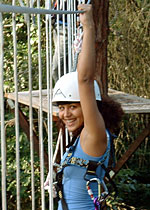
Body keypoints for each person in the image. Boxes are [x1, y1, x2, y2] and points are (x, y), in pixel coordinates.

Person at [45, 4, 124, 210]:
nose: (65, 114)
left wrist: (88, 27)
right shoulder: (79, 139)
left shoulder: (94, 136)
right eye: (62, 107)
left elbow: (85, 80)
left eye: (73, 106)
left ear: (90, 107)